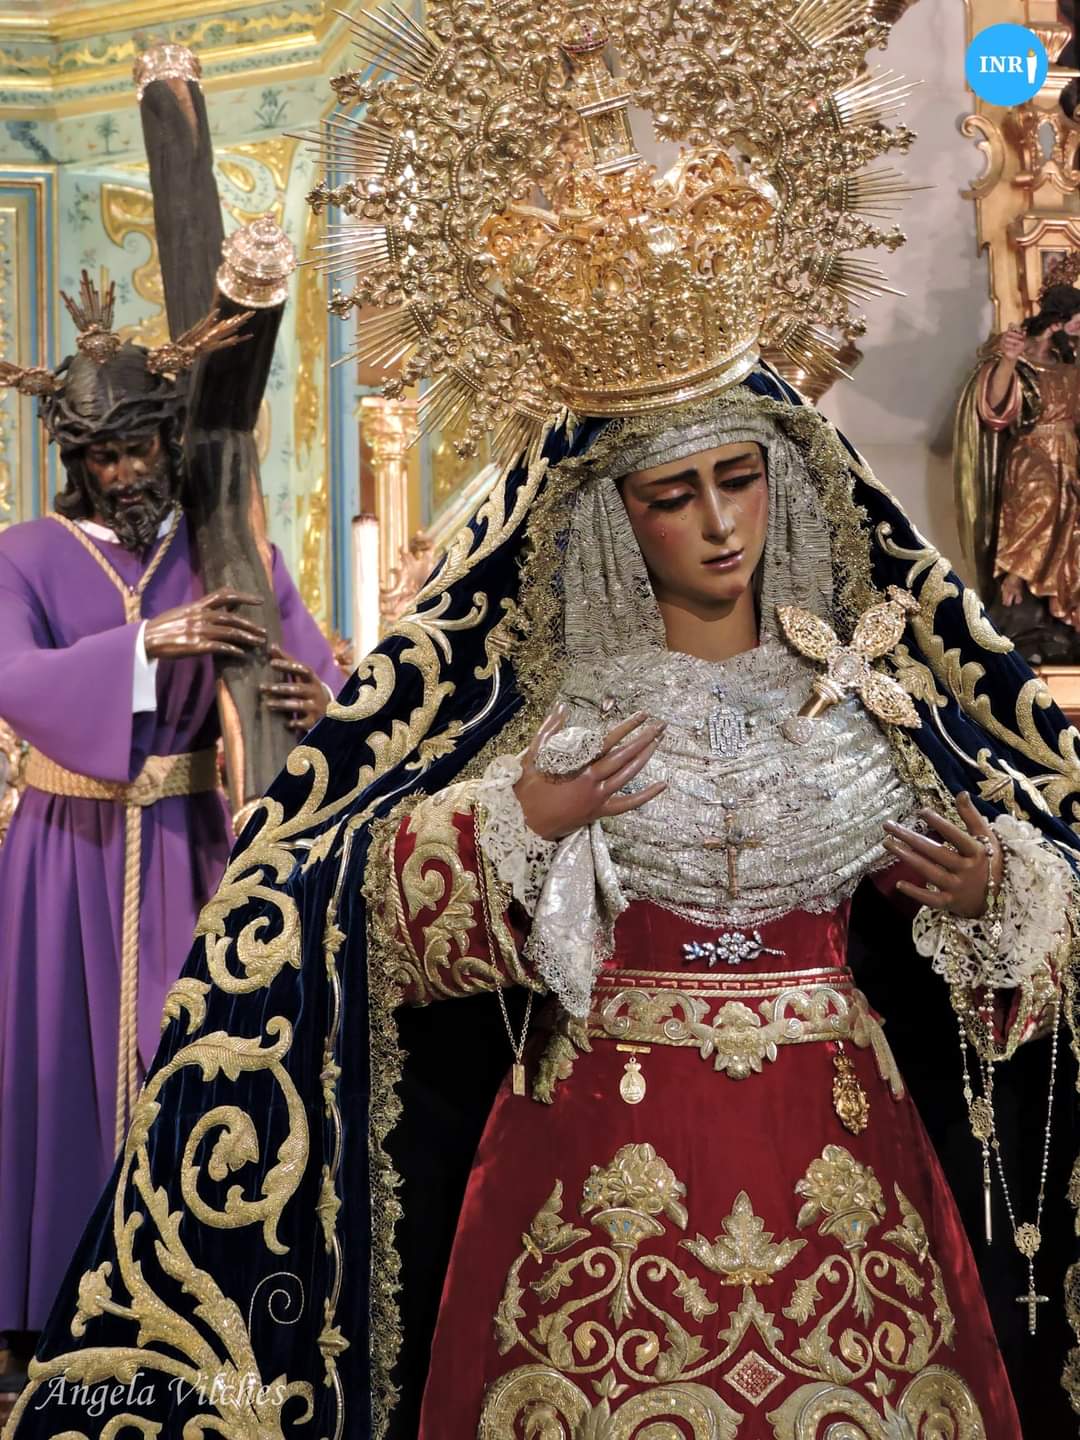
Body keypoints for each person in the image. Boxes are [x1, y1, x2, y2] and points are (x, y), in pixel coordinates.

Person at [7, 2, 1080, 1437]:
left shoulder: (872, 687)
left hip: (845, 1169)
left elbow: (1030, 883)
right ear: (612, 518)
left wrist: (1000, 888)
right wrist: (517, 823)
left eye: (741, 483)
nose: (720, 525)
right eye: (673, 495)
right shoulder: (545, 709)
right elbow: (346, 903)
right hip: (598, 1180)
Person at [0, 317, 344, 1360]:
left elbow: (320, 675)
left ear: (171, 438)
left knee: (194, 1054)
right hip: (68, 848)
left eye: (138, 447)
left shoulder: (229, 551)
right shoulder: (24, 555)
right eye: (101, 456)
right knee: (61, 1068)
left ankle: (198, 1295)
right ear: (75, 460)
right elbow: (12, 676)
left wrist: (320, 701)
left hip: (195, 842)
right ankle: (55, 1302)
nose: (122, 474)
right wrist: (146, 642)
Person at [954, 275, 1080, 662]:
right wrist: (1008, 360)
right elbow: (994, 409)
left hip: (1069, 453)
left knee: (1071, 524)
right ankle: (1015, 576)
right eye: (1077, 320)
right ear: (1057, 321)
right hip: (1031, 449)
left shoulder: (1070, 364)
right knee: (1041, 501)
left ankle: (1062, 607)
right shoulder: (1019, 358)